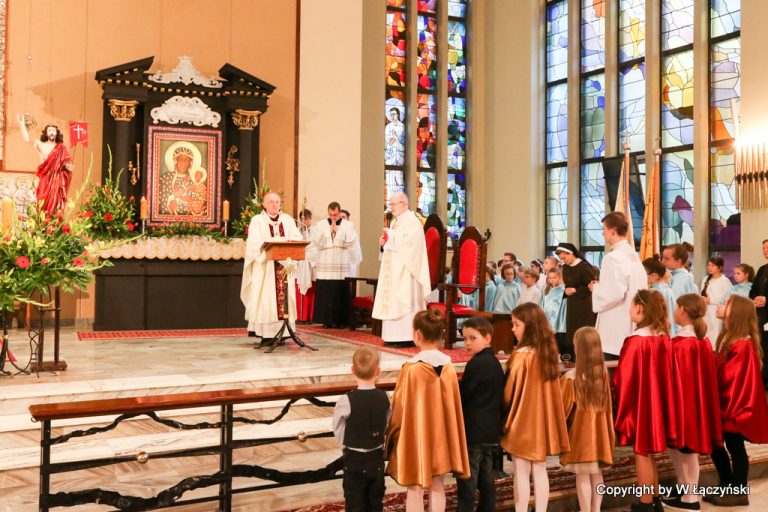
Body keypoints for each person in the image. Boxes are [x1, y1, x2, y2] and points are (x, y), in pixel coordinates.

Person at [385, 309, 470, 511]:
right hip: (442, 438)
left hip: (416, 437)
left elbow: (400, 407)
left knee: (415, 486)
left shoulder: (412, 369)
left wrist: (392, 435)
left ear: (417, 335)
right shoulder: (449, 367)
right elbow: (453, 407)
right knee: (438, 483)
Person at [613, 289, 678, 511]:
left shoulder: (635, 341)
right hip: (658, 403)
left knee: (641, 452)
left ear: (640, 308)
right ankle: (655, 498)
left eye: (631, 305)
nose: (630, 310)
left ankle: (645, 503)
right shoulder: (663, 338)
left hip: (640, 405)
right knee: (649, 453)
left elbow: (623, 378)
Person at [500, 303, 569, 512]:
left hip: (521, 421)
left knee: (521, 471)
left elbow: (508, 393)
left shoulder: (521, 357)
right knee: (540, 469)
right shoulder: (547, 353)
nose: (513, 329)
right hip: (542, 422)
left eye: (516, 324)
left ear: (529, 326)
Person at [707, 295, 768, 507]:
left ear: (736, 313)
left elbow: (732, 378)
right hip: (725, 404)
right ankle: (727, 484)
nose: (720, 305)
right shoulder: (729, 338)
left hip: (734, 406)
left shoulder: (742, 344)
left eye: (726, 304)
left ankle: (739, 490)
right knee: (716, 445)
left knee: (735, 446)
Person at [664, 294, 722, 511]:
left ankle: (690, 498)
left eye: (676, 307)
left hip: (684, 405)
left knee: (687, 451)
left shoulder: (681, 344)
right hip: (696, 404)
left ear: (682, 310)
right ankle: (684, 488)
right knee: (679, 449)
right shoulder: (702, 340)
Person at [560, 327, 615, 512]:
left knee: (582, 476)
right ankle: (596, 509)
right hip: (600, 436)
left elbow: (562, 408)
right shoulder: (603, 375)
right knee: (597, 474)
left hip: (581, 437)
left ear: (579, 349)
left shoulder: (571, 378)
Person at [332, 348, 390, 512]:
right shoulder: (385, 396)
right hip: (376, 456)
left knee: (354, 501)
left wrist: (345, 445)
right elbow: (387, 421)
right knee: (375, 499)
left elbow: (337, 427)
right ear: (378, 371)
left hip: (354, 458)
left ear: (352, 370)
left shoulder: (346, 400)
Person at [240, 191, 303, 341]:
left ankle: (285, 332)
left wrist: (285, 246)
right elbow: (254, 242)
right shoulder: (257, 220)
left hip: (284, 265)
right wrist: (272, 246)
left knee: (284, 299)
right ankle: (267, 334)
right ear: (264, 204)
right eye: (271, 202)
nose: (274, 205)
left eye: (277, 202)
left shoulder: (288, 220)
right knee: (266, 299)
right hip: (266, 268)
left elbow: (297, 238)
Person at [456, 316, 504, 512]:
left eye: (472, 338)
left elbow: (466, 394)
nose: (467, 343)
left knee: (468, 479)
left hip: (474, 431)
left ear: (487, 338)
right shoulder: (494, 362)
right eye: (465, 338)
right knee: (487, 479)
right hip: (491, 430)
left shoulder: (476, 364)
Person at [373, 192, 432, 344]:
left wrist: (391, 237)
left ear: (404, 204)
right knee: (393, 301)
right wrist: (383, 243)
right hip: (393, 270)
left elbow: (412, 246)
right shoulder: (395, 222)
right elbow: (393, 243)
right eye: (390, 204)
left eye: (394, 204)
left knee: (404, 299)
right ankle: (391, 336)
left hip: (407, 271)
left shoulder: (413, 222)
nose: (391, 207)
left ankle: (406, 337)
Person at [590, 212, 647, 359]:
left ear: (612, 231)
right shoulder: (633, 256)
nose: (602, 233)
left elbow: (612, 295)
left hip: (615, 326)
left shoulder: (612, 258)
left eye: (604, 229)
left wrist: (595, 288)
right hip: (632, 320)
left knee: (613, 367)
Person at [312, 202, 359, 328]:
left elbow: (351, 242)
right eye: (331, 215)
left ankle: (340, 321)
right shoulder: (320, 224)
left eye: (335, 215)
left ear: (339, 212)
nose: (333, 217)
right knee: (326, 291)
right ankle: (326, 321)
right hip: (325, 262)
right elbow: (316, 242)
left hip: (340, 263)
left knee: (339, 291)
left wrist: (337, 234)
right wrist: (329, 234)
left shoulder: (348, 225)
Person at [18, 118, 74, 216]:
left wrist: (68, 166)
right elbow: (27, 139)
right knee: (42, 203)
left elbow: (68, 164)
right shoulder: (41, 144)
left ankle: (54, 223)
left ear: (57, 133)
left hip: (57, 181)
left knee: (56, 205)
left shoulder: (62, 148)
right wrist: (22, 125)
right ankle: (42, 223)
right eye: (49, 130)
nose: (51, 132)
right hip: (45, 179)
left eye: (53, 130)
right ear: (46, 133)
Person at [556, 243, 597, 354]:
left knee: (583, 332)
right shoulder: (565, 267)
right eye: (561, 259)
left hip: (584, 304)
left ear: (571, 254)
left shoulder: (584, 266)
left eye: (564, 258)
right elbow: (568, 284)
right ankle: (573, 357)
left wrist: (576, 290)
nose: (563, 261)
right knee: (572, 332)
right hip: (572, 303)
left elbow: (592, 286)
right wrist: (567, 290)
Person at [749, 239, 768, 385]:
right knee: (763, 347)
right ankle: (764, 378)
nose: (765, 251)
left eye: (767, 248)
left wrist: (766, 299)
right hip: (762, 316)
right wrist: (755, 298)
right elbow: (753, 290)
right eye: (763, 248)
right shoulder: (762, 269)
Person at [700, 256, 732, 343]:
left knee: (716, 334)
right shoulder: (705, 279)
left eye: (712, 266)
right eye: (708, 265)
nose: (709, 268)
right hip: (706, 310)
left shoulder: (725, 281)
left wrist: (711, 300)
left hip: (717, 311)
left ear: (720, 268)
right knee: (705, 333)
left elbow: (728, 297)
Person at [643, 257, 677, 336]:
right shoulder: (669, 290)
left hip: (658, 334)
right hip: (671, 333)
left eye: (643, 274)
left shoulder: (652, 293)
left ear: (654, 275)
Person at [295, 209, 316, 324]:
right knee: (298, 290)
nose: (304, 222)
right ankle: (300, 317)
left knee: (310, 291)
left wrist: (307, 255)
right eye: (302, 219)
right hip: (299, 264)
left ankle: (309, 317)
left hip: (310, 264)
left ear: (310, 219)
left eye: (307, 219)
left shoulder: (316, 231)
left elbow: (315, 247)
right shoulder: (296, 232)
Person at [542, 268, 568, 359]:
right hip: (547, 321)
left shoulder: (563, 291)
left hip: (559, 322)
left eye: (554, 277)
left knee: (559, 346)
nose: (552, 280)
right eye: (550, 278)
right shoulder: (546, 290)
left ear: (560, 277)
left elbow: (563, 307)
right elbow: (543, 305)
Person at [340, 209, 363, 278]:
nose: (341, 219)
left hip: (348, 262)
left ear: (348, 219)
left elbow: (351, 245)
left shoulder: (352, 232)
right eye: (339, 217)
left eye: (343, 217)